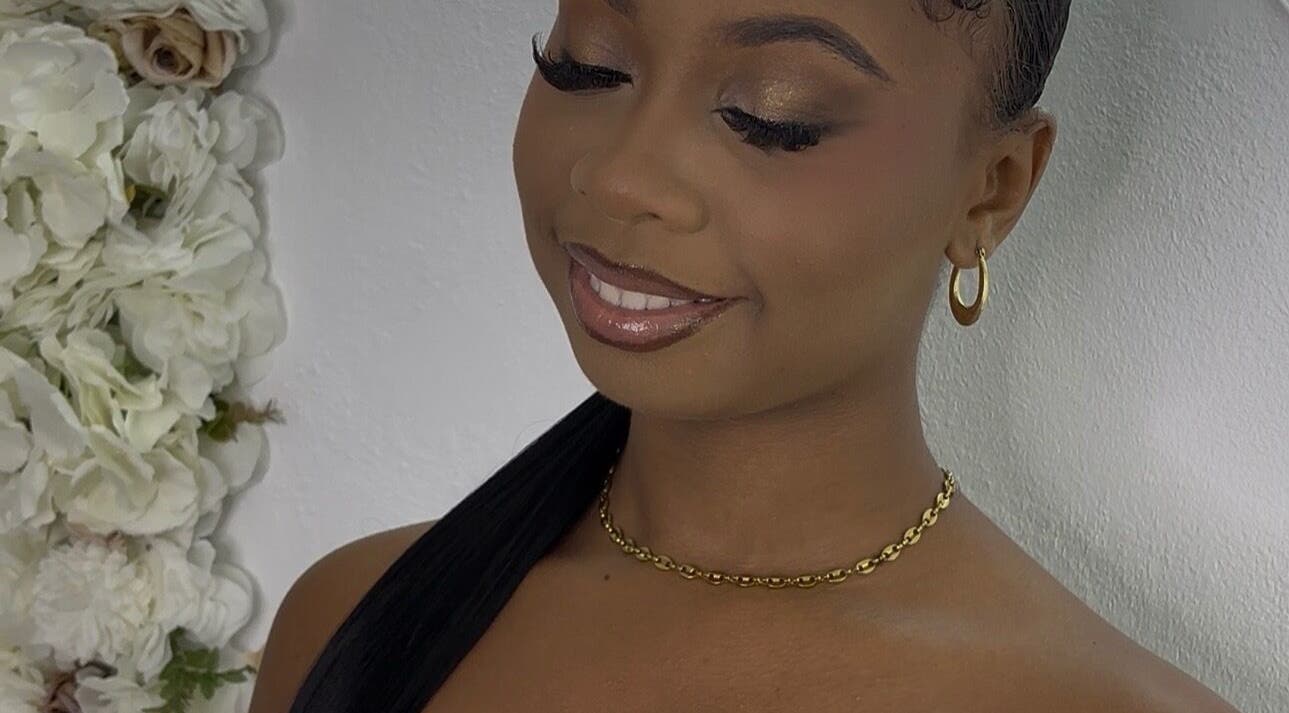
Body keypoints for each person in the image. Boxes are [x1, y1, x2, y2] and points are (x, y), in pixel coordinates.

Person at [249, 2, 1243, 712]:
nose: (623, 173)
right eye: (587, 66)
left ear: (989, 190)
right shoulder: (354, 619)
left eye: (772, 117)